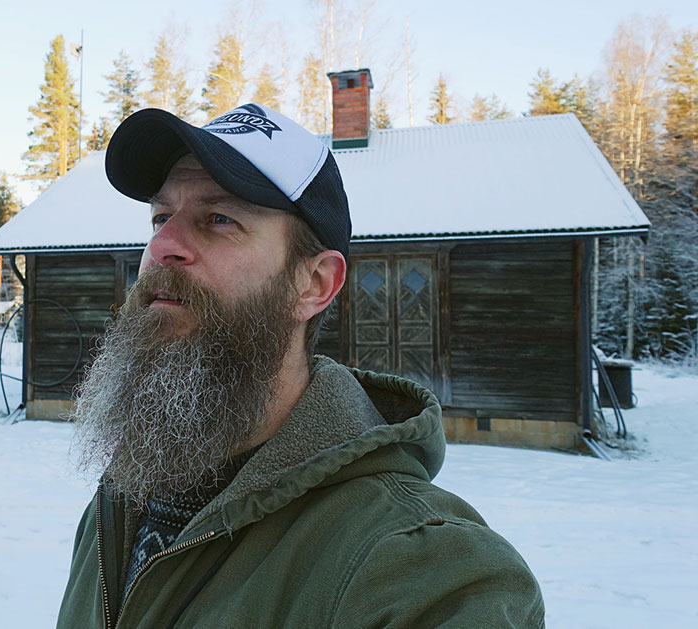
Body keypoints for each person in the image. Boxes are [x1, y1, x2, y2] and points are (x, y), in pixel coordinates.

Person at [58, 103, 544, 628]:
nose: (162, 246)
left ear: (313, 284)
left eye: (219, 219)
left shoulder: (416, 567)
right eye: (160, 217)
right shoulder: (122, 498)